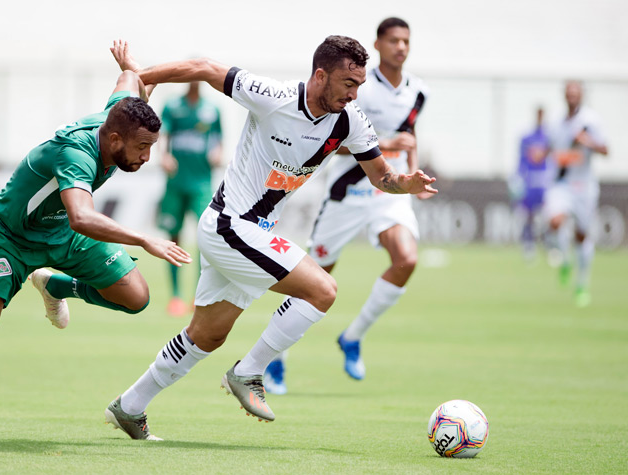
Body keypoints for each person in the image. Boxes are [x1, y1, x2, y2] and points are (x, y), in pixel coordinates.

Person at [105, 36, 436, 440]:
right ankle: (249, 371)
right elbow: (206, 68)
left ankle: (130, 405)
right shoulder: (273, 96)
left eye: (359, 85)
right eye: (348, 83)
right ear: (320, 75)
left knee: (207, 335)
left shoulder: (349, 120)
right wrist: (142, 76)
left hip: (250, 234)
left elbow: (382, 176)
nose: (354, 93)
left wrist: (405, 183)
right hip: (230, 225)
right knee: (323, 290)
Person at [0, 42, 192, 443]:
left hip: (62, 235)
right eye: (142, 148)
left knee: (135, 296)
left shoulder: (119, 116)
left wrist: (132, 69)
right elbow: (82, 217)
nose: (146, 157)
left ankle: (55, 285)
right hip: (13, 238)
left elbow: (128, 83)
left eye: (151, 148)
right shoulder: (77, 153)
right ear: (116, 138)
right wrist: (145, 239)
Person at [264, 17, 432, 392]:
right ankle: (276, 356)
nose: (401, 47)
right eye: (394, 40)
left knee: (406, 259)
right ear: (378, 44)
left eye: (406, 41)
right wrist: (386, 145)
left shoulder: (418, 92)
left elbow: (411, 134)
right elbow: (334, 144)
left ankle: (353, 337)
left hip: (389, 192)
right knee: (315, 279)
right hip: (348, 193)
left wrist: (413, 176)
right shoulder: (357, 88)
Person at [157, 82, 223, 316]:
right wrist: (163, 156)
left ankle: (198, 295)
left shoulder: (211, 109)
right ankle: (175, 296)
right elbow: (163, 134)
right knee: (173, 238)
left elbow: (218, 140)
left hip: (201, 184)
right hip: (176, 183)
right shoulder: (173, 106)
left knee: (205, 238)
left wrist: (218, 153)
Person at [543, 80, 608, 307]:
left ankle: (581, 284)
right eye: (568, 93)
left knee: (581, 236)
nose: (571, 97)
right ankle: (564, 259)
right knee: (555, 220)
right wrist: (541, 155)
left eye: (575, 93)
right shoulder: (557, 122)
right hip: (561, 184)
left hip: (584, 187)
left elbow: (606, 149)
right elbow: (552, 148)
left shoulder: (590, 121)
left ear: (581, 95)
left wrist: (587, 142)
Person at [510, 107, 551, 262]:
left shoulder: (549, 138)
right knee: (528, 215)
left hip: (544, 181)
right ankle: (528, 245)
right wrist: (517, 178)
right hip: (530, 181)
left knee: (546, 216)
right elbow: (521, 161)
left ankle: (548, 246)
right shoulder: (527, 138)